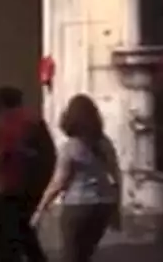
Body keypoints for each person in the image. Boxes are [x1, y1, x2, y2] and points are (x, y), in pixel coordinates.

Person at [32, 94, 122, 262]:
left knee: (71, 255)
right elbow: (116, 175)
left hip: (77, 206)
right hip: (103, 206)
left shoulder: (70, 147)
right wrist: (116, 208)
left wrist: (40, 209)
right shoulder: (104, 143)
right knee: (85, 254)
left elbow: (58, 182)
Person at [0, 86, 53, 262]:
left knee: (7, 237)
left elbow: (1, 155)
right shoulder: (35, 120)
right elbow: (49, 153)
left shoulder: (7, 123)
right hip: (32, 187)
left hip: (12, 187)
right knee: (25, 232)